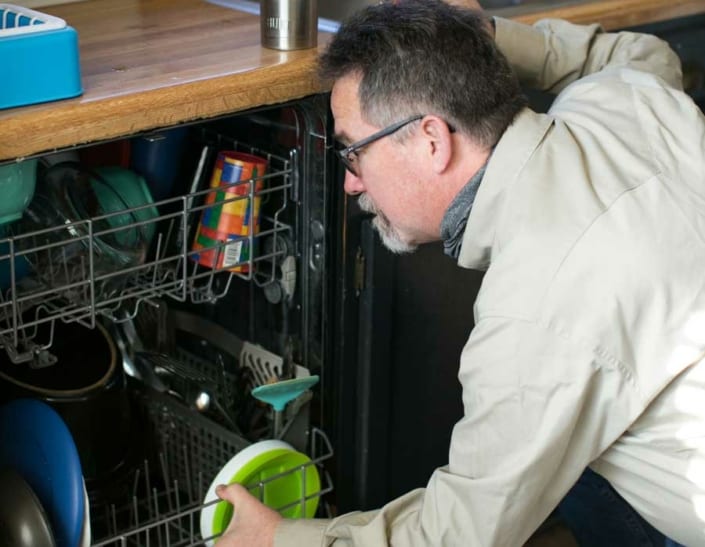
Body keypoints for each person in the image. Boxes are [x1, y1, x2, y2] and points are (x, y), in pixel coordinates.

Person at [214, 0, 705, 545]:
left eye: (352, 150)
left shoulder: (534, 316)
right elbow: (645, 53)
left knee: (547, 463)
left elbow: (457, 536)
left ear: (431, 140)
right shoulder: (623, 101)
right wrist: (486, 31)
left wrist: (278, 540)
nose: (350, 182)